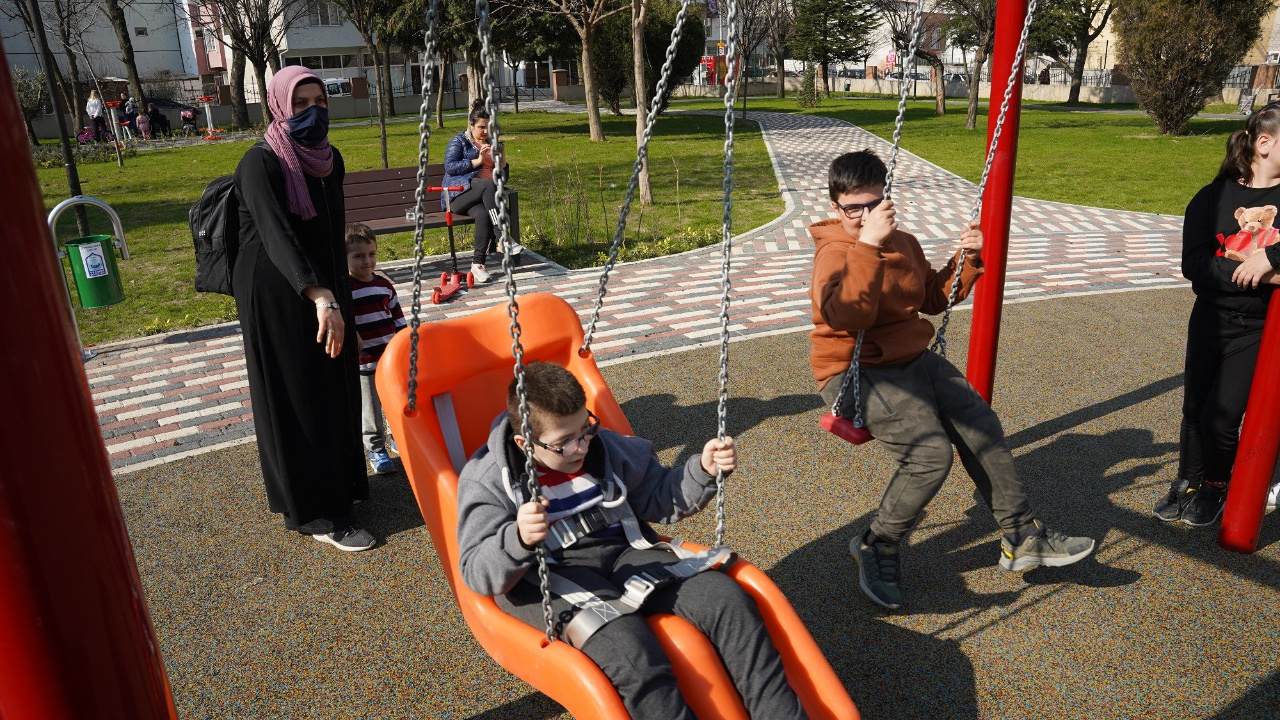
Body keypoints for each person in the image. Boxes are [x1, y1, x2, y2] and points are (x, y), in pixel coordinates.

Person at [810, 150, 1095, 610]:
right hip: (855, 371)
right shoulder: (834, 254)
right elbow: (848, 316)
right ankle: (877, 543)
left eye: (873, 205)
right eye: (852, 209)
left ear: (887, 200)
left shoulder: (902, 241)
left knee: (981, 424)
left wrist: (966, 258)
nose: (862, 218)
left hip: (911, 359)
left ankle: (1022, 535)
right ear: (835, 207)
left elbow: (931, 299)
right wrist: (868, 248)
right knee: (929, 454)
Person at [457, 362, 807, 720]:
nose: (580, 448)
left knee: (727, 600)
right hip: (546, 575)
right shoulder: (488, 482)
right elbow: (475, 572)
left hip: (625, 550)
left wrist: (701, 471)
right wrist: (517, 539)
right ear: (525, 443)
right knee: (630, 650)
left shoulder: (607, 448)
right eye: (564, 443)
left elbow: (658, 496)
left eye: (585, 429)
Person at [232, 65, 373, 552]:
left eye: (321, 102)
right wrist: (319, 297)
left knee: (334, 385)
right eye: (301, 104)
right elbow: (278, 236)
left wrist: (344, 299)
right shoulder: (261, 163)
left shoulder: (328, 158)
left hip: (325, 288)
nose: (314, 112)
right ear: (278, 106)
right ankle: (317, 512)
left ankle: (343, 488)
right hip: (277, 291)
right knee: (299, 394)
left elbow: (332, 236)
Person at [1154, 104, 1280, 526]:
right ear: (1264, 143)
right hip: (1209, 318)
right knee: (1194, 409)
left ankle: (1216, 484)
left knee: (1222, 417)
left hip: (1258, 328)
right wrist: (1260, 274)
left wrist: (1271, 257)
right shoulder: (1214, 197)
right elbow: (1195, 263)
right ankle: (1187, 479)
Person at [345, 222, 406, 475]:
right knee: (370, 408)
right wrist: (352, 332)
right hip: (364, 361)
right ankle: (375, 447)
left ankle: (396, 437)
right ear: (344, 258)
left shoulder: (383, 284)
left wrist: (406, 341)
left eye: (371, 254)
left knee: (394, 400)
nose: (367, 261)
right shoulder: (345, 288)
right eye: (358, 256)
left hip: (390, 359)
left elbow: (397, 315)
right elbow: (344, 318)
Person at [441, 100, 521, 284]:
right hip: (457, 194)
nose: (485, 131)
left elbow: (501, 179)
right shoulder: (459, 141)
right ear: (471, 125)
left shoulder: (492, 143)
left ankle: (478, 265)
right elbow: (450, 167)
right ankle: (502, 237)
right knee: (487, 186)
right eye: (481, 127)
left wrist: (503, 164)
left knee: (484, 213)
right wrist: (476, 162)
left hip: (483, 198)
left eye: (488, 127)